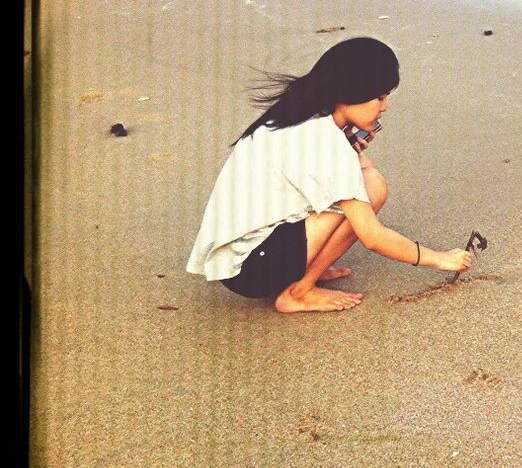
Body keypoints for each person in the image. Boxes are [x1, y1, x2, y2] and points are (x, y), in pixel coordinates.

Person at [187, 37, 473, 313]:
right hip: (252, 269)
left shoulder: (301, 113)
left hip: (236, 259)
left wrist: (352, 152)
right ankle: (299, 293)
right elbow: (373, 237)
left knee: (364, 185)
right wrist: (440, 259)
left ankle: (305, 269)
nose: (384, 107)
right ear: (351, 93)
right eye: (380, 97)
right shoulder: (325, 142)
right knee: (373, 189)